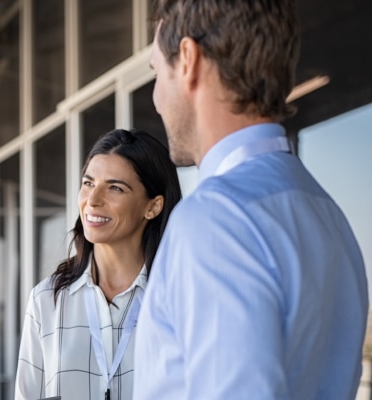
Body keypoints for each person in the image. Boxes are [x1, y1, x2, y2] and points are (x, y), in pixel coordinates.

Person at [134, 1, 369, 399]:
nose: (156, 98)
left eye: (157, 71)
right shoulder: (328, 215)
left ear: (188, 60)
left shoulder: (213, 220)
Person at [15, 128, 182, 400]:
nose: (92, 200)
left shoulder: (181, 297)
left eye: (115, 187)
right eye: (88, 183)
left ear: (153, 206)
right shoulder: (46, 300)